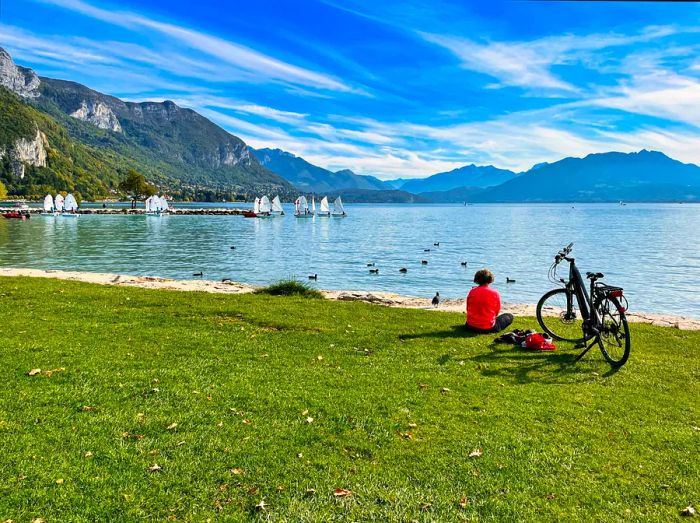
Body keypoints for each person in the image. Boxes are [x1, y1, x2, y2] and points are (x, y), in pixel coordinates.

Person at [465, 268, 513, 333]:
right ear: (490, 280)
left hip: (470, 326)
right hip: (488, 328)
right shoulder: (494, 293)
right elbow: (496, 312)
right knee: (509, 316)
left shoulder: (472, 291)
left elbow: (468, 308)